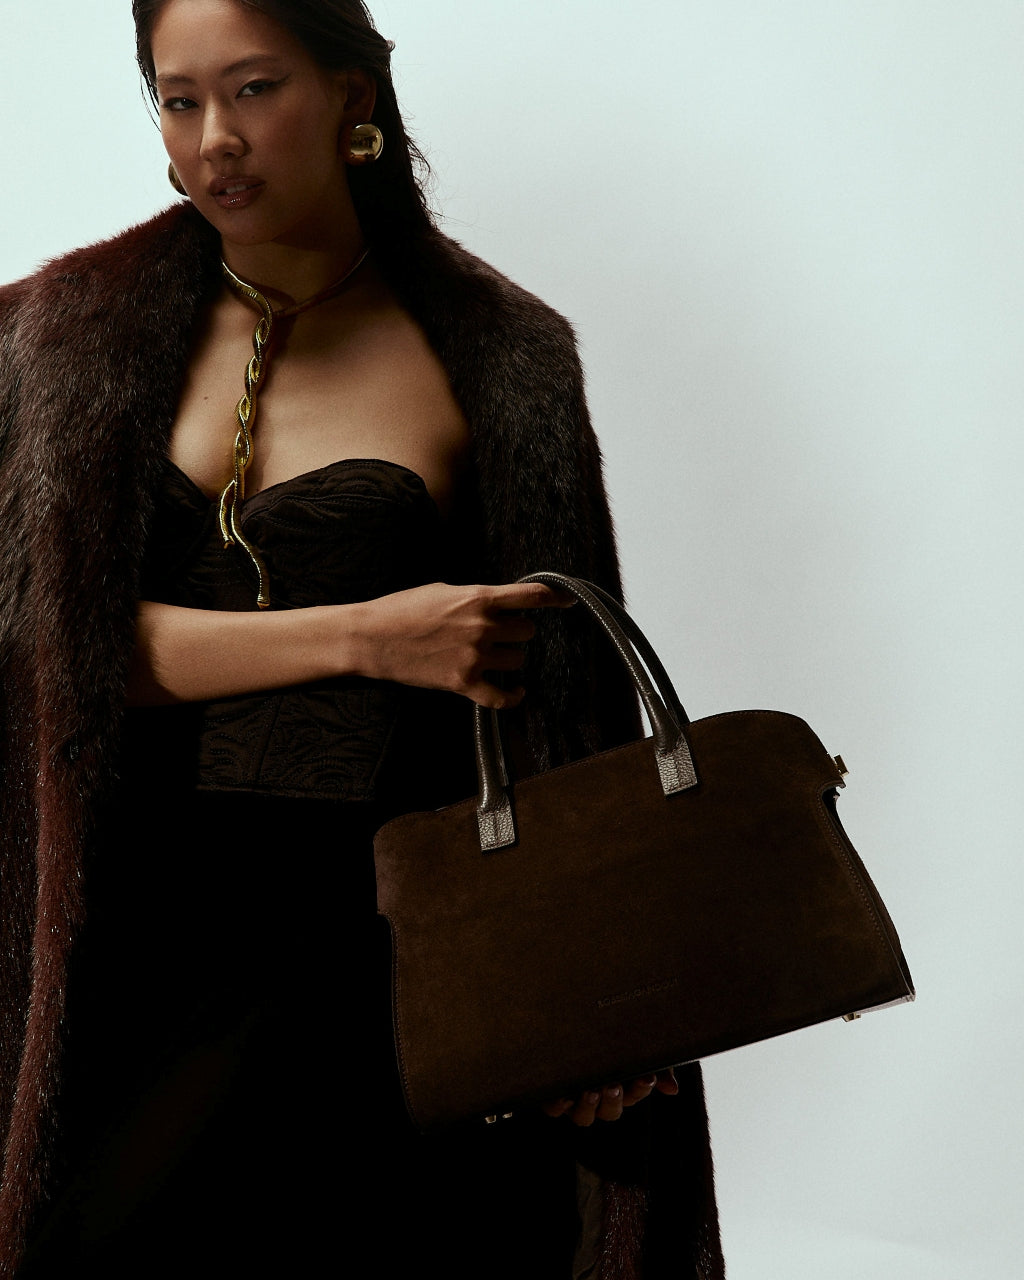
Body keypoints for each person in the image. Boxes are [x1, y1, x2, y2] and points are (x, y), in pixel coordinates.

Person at [0, 1, 724, 1274]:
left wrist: (602, 998)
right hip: (123, 961)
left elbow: (572, 723)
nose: (215, 139)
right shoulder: (49, 340)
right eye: (179, 99)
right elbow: (47, 661)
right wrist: (367, 637)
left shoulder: (505, 358)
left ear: (351, 94)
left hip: (389, 972)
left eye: (254, 87)